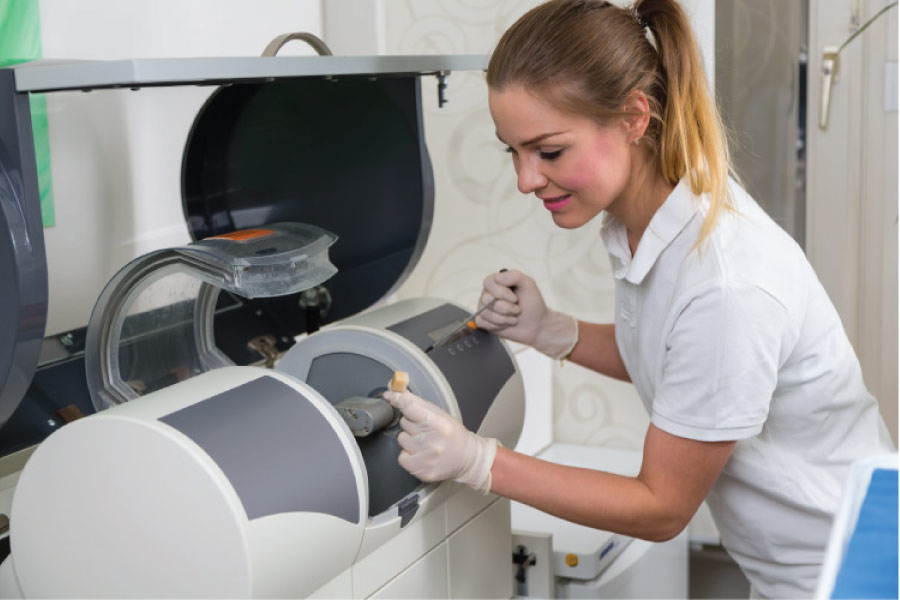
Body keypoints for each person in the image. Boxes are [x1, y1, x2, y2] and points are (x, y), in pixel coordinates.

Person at [381, 0, 896, 597]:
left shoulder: (726, 283)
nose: (525, 179)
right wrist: (551, 329)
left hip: (850, 573)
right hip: (793, 564)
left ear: (633, 116)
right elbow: (684, 366)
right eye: (512, 152)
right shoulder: (649, 220)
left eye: (548, 152)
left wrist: (479, 461)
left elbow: (661, 508)